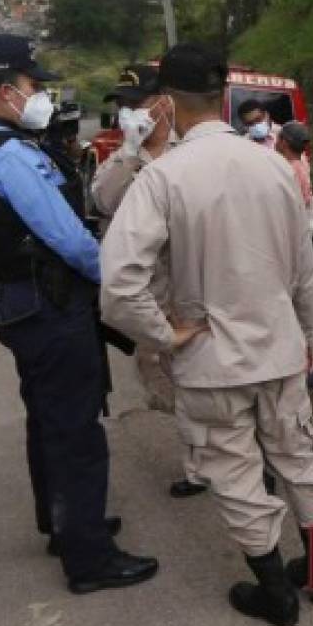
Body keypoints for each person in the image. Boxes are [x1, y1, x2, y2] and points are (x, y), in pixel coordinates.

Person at [101, 43, 313, 626]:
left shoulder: (164, 178)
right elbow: (305, 270)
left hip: (210, 357)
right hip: (278, 347)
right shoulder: (275, 165)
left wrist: (163, 334)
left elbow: (117, 282)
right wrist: (306, 333)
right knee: (298, 455)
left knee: (233, 471)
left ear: (166, 101)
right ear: (221, 94)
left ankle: (276, 593)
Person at [0, 33, 157, 594]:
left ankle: (66, 524)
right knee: (74, 430)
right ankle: (89, 558)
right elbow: (68, 239)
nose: (40, 92)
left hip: (27, 304)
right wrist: (117, 279)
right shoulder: (11, 153)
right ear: (4, 90)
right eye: (32, 84)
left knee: (49, 420)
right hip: (50, 305)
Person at [90, 64, 208, 499]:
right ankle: (209, 458)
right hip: (152, 297)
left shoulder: (194, 150)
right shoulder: (124, 156)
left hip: (196, 291)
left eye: (134, 104)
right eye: (121, 106)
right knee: (164, 381)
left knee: (205, 380)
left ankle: (214, 464)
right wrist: (131, 153)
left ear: (164, 103)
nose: (126, 113)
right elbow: (101, 200)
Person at [276, 120, 313, 208]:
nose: (275, 142)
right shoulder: (302, 166)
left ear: (284, 142)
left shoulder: (287, 170)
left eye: (277, 138)